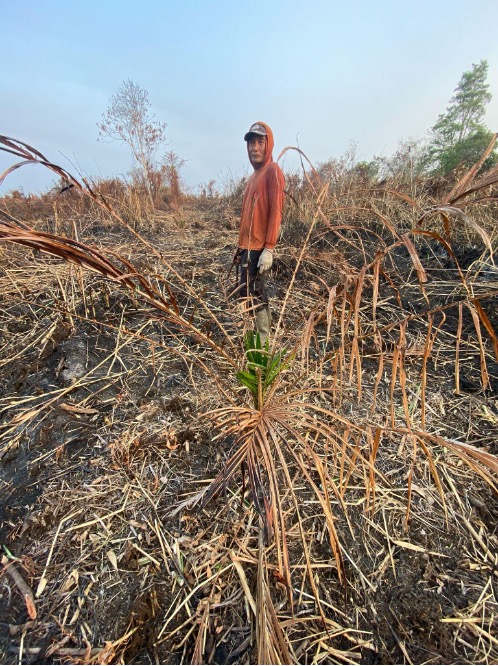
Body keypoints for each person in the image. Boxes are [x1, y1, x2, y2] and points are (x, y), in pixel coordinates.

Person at [235, 121, 285, 345]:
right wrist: (240, 249)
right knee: (247, 293)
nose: (255, 148)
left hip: (259, 250)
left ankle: (262, 345)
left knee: (256, 294)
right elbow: (247, 216)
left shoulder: (273, 171)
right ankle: (253, 339)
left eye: (260, 142)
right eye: (251, 143)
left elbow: (276, 212)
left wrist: (269, 248)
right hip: (247, 248)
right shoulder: (253, 178)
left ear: (268, 144)